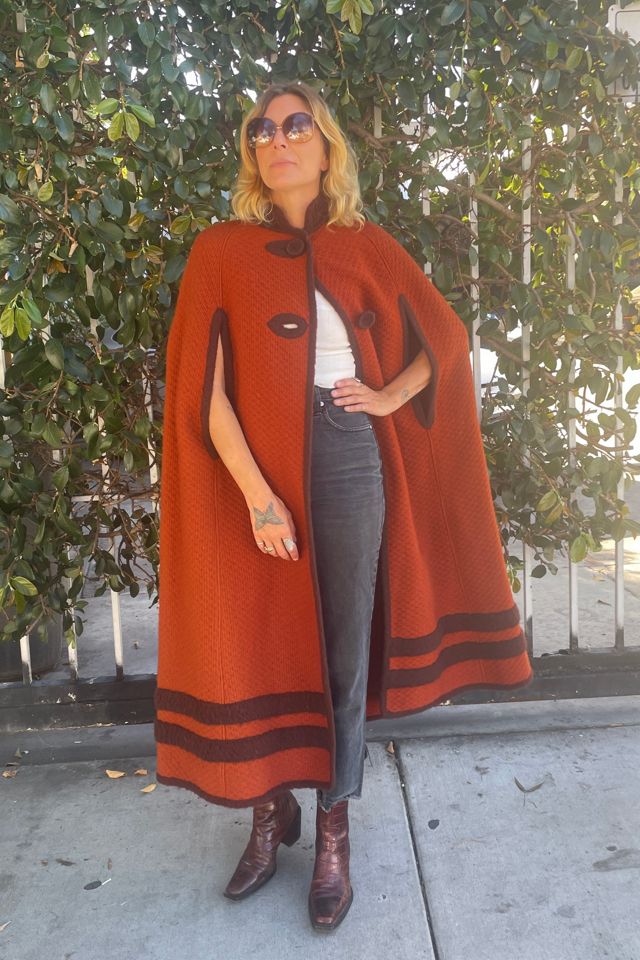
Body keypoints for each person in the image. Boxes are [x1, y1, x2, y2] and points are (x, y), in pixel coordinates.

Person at [154, 79, 533, 933]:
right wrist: (259, 497)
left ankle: (333, 829)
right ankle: (268, 813)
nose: (277, 139)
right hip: (252, 469)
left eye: (297, 125)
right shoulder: (220, 250)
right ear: (252, 153)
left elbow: (446, 338)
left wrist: (388, 396)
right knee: (258, 641)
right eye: (261, 129)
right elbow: (204, 392)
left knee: (342, 649)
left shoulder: (366, 244)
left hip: (347, 453)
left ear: (327, 147)